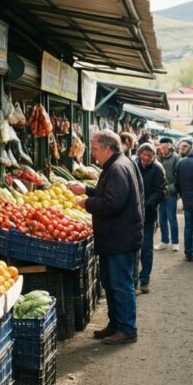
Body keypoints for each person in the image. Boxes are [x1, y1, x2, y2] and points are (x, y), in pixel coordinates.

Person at [67, 130, 143, 345]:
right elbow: (109, 193)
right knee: (110, 283)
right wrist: (88, 189)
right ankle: (116, 324)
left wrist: (87, 203)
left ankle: (127, 329)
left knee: (121, 284)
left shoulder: (118, 168)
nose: (93, 154)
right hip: (116, 235)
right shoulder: (119, 164)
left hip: (120, 236)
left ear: (108, 148)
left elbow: (112, 203)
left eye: (96, 149)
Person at [135, 143, 166, 293]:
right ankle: (134, 279)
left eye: (150, 155)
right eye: (144, 154)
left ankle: (144, 280)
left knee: (146, 248)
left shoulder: (158, 169)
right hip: (132, 215)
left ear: (154, 156)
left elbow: (161, 191)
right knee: (132, 248)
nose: (146, 158)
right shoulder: (133, 166)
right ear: (139, 154)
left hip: (149, 214)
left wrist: (146, 204)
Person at [155, 138, 181, 252]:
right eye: (161, 148)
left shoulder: (176, 158)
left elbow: (178, 177)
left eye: (164, 147)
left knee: (172, 218)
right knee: (162, 219)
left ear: (169, 146)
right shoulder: (158, 158)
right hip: (160, 193)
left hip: (171, 193)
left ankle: (175, 242)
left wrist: (170, 188)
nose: (162, 150)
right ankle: (164, 241)